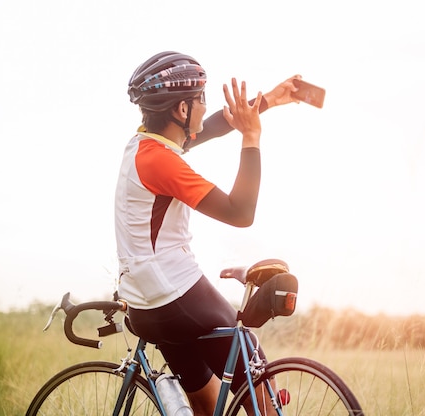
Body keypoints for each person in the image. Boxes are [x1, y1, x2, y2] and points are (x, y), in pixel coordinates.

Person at [114, 51, 300, 415]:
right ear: (181, 111)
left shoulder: (144, 145)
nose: (205, 106)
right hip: (173, 293)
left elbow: (211, 127)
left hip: (147, 302)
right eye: (201, 99)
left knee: (207, 402)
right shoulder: (162, 162)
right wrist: (252, 136)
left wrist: (269, 102)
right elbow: (240, 212)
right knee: (252, 365)